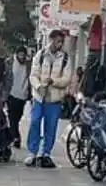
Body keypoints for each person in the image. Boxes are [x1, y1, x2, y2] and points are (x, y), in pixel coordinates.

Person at [26, 30, 72, 168]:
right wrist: (38, 86)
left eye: (61, 42)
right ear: (51, 40)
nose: (60, 44)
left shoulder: (65, 58)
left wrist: (54, 81)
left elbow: (66, 79)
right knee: (35, 122)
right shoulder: (40, 55)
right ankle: (32, 152)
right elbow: (33, 75)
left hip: (54, 99)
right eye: (58, 41)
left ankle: (46, 153)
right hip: (39, 97)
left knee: (50, 127)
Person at [7, 46, 31, 149]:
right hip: (11, 93)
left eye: (23, 54)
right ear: (16, 54)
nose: (21, 56)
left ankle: (14, 136)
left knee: (18, 117)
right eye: (20, 54)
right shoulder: (11, 62)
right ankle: (15, 138)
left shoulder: (29, 64)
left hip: (23, 95)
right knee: (12, 117)